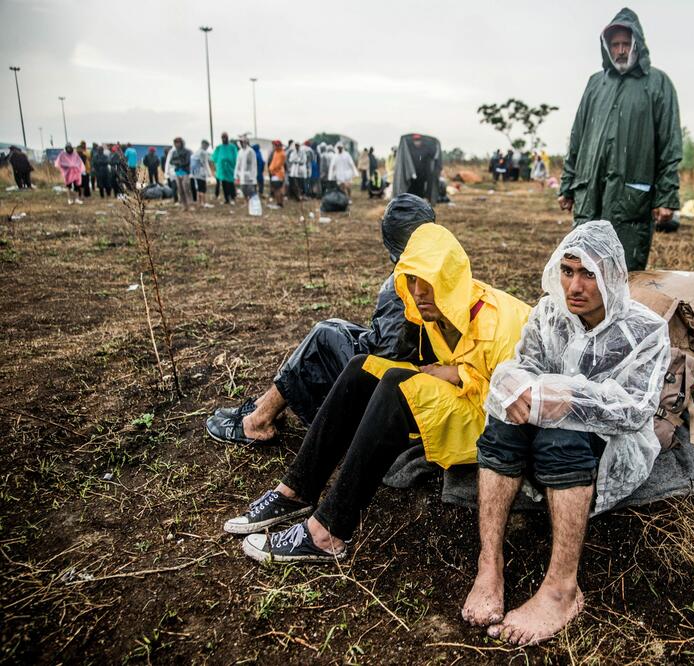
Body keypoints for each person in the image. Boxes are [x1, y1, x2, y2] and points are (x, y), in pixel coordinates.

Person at [224, 223, 531, 565]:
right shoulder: (438, 310)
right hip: (465, 397)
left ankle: (327, 532)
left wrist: (457, 373)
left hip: (493, 420)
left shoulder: (502, 324)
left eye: (427, 280)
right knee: (361, 368)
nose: (418, 291)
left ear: (450, 278)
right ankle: (295, 491)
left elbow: (519, 404)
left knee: (398, 388)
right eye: (411, 280)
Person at [462, 220, 670, 645]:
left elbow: (635, 409)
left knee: (564, 438)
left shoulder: (645, 330)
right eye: (568, 270)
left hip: (612, 445)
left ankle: (562, 590)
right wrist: (513, 386)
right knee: (502, 427)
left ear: (612, 275)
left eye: (589, 273)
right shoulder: (549, 314)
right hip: (544, 425)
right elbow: (523, 365)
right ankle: (490, 563)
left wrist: (572, 397)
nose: (575, 285)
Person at [207, 194, 437, 444]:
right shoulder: (439, 266)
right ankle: (263, 404)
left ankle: (257, 422)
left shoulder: (406, 283)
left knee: (323, 336)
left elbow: (390, 354)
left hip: (398, 384)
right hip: (415, 367)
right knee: (336, 327)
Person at [558, 8, 682, 271]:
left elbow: (669, 145)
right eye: (615, 45)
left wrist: (666, 197)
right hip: (589, 195)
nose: (621, 50)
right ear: (607, 47)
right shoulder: (595, 84)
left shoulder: (658, 83)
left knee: (624, 271)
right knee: (584, 266)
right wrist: (568, 185)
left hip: (631, 199)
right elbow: (577, 138)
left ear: (637, 44)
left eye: (626, 43)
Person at [211, 132, 238, 204]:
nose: (224, 139)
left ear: (227, 138)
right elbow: (214, 158)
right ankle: (227, 199)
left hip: (230, 168)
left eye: (225, 137)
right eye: (223, 137)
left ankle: (233, 197)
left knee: (231, 183)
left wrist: (235, 165)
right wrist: (215, 167)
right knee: (224, 184)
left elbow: (236, 157)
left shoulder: (232, 147)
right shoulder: (219, 147)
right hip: (222, 169)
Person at [169, 137, 193, 212]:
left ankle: (190, 205)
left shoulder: (187, 151)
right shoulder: (174, 152)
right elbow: (171, 161)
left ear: (182, 143)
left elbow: (187, 161)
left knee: (186, 188)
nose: (177, 144)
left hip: (185, 172)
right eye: (176, 143)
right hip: (177, 172)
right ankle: (184, 206)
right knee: (180, 190)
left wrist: (179, 162)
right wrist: (178, 162)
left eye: (178, 142)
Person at [190, 140, 211, 205]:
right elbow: (205, 163)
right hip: (201, 172)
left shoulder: (196, 152)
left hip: (195, 173)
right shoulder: (203, 153)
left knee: (199, 188)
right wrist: (209, 173)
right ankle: (204, 203)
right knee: (203, 188)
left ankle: (199, 202)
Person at [268, 140, 286, 207]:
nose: (274, 146)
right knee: (276, 189)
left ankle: (279, 203)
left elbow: (278, 165)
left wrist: (272, 169)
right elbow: (273, 162)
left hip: (278, 174)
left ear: (279, 146)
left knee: (277, 189)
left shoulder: (282, 154)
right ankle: (278, 202)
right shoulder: (276, 152)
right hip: (274, 173)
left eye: (275, 145)